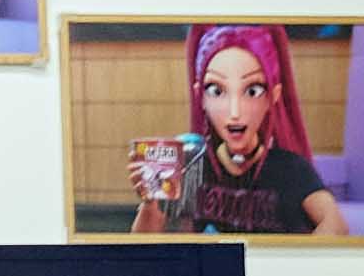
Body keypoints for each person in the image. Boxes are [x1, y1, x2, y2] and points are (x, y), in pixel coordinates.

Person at [142, 25, 341, 237]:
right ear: (201, 96)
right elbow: (143, 241)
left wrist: (295, 257)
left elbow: (336, 225)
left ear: (273, 96)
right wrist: (151, 196)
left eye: (252, 91)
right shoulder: (190, 163)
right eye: (216, 91)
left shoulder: (291, 168)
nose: (235, 112)